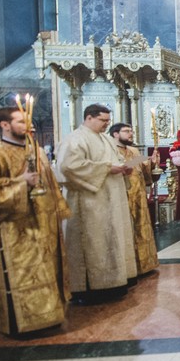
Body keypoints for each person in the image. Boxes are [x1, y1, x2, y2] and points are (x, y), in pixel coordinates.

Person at [0, 108, 69, 336]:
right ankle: (21, 325)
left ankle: (49, 317)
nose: (28, 125)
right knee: (21, 275)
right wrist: (20, 183)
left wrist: (57, 212)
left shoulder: (37, 151)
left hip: (43, 226)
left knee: (45, 272)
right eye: (21, 121)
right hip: (13, 230)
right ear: (5, 125)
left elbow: (50, 187)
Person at [57, 104, 137, 301]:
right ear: (89, 118)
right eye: (103, 121)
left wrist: (125, 168)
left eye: (108, 121)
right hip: (89, 202)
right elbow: (68, 167)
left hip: (111, 199)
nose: (106, 125)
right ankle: (92, 288)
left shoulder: (106, 139)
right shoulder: (75, 139)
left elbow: (117, 159)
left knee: (111, 239)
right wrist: (107, 169)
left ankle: (114, 283)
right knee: (93, 243)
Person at [109, 123, 160, 276]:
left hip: (139, 196)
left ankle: (144, 265)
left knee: (140, 228)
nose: (130, 134)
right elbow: (117, 168)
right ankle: (130, 268)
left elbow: (144, 170)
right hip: (122, 195)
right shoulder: (110, 150)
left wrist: (152, 162)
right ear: (115, 134)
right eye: (126, 131)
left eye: (131, 131)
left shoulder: (133, 150)